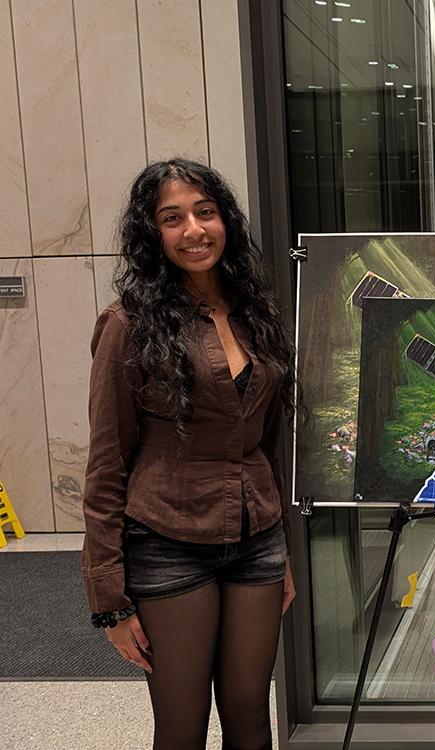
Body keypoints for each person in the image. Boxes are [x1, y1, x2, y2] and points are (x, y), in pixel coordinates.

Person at [81, 158, 297, 750]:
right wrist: (109, 599)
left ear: (225, 218)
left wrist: (283, 555)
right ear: (153, 234)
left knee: (252, 718)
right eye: (172, 219)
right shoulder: (128, 325)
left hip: (257, 541)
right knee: (181, 727)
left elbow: (268, 445)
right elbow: (105, 467)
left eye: (205, 212)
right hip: (166, 543)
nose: (194, 230)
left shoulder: (258, 314)